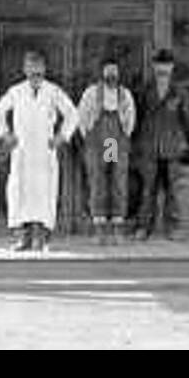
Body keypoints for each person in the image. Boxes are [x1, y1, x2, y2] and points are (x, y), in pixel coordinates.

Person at [0, 49, 80, 253]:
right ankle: (23, 239)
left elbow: (72, 114)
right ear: (25, 70)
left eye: (39, 69)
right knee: (19, 192)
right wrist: (5, 134)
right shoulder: (16, 91)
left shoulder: (53, 91)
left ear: (44, 69)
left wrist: (61, 136)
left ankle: (41, 238)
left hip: (44, 150)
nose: (35, 74)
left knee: (44, 193)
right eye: (31, 69)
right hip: (22, 150)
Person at [77, 58, 136, 244]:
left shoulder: (125, 94)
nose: (111, 75)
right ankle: (99, 229)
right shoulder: (91, 93)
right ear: (102, 73)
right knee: (97, 183)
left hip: (117, 141)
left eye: (114, 72)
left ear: (118, 74)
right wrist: (88, 136)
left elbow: (131, 118)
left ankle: (118, 228)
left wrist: (125, 135)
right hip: (97, 141)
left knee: (119, 183)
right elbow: (82, 116)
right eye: (108, 71)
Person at [133, 48, 189, 240]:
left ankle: (173, 228)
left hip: (172, 146)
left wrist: (181, 140)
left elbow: (186, 119)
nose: (163, 69)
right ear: (153, 66)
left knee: (172, 190)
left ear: (172, 67)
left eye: (166, 65)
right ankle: (144, 227)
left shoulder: (179, 91)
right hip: (149, 145)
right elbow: (137, 117)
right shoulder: (144, 89)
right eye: (159, 65)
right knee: (147, 189)